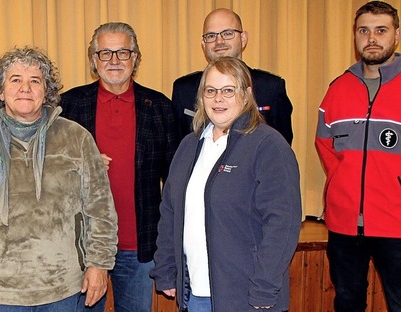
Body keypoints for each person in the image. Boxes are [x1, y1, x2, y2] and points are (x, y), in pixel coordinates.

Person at [0, 47, 118, 312]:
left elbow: (101, 211)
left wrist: (99, 264)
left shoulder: (76, 138)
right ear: (0, 91)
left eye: (35, 81)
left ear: (46, 92)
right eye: (15, 80)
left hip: (65, 287)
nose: (25, 88)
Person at [151, 57, 301, 312]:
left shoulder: (268, 145)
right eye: (211, 91)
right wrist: (166, 267)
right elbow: (171, 211)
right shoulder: (189, 145)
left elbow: (282, 224)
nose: (218, 98)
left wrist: (264, 288)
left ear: (246, 95)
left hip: (248, 298)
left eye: (228, 90)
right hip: (196, 294)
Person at [60, 22, 179, 312]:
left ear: (135, 58)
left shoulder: (160, 107)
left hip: (138, 246)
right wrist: (81, 163)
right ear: (93, 60)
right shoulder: (68, 106)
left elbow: (175, 182)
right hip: (80, 247)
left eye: (123, 52)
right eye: (105, 53)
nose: (114, 61)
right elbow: (46, 171)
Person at [315, 1, 401, 311]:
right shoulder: (337, 89)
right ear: (355, 35)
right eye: (363, 30)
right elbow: (325, 148)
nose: (372, 38)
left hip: (397, 224)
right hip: (344, 225)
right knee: (347, 302)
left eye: (381, 30)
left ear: (396, 34)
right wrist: (342, 189)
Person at [172, 8, 293, 145]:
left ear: (243, 39)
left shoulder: (271, 88)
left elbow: (281, 147)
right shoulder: (183, 90)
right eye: (211, 36)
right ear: (203, 44)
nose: (219, 41)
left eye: (227, 33)